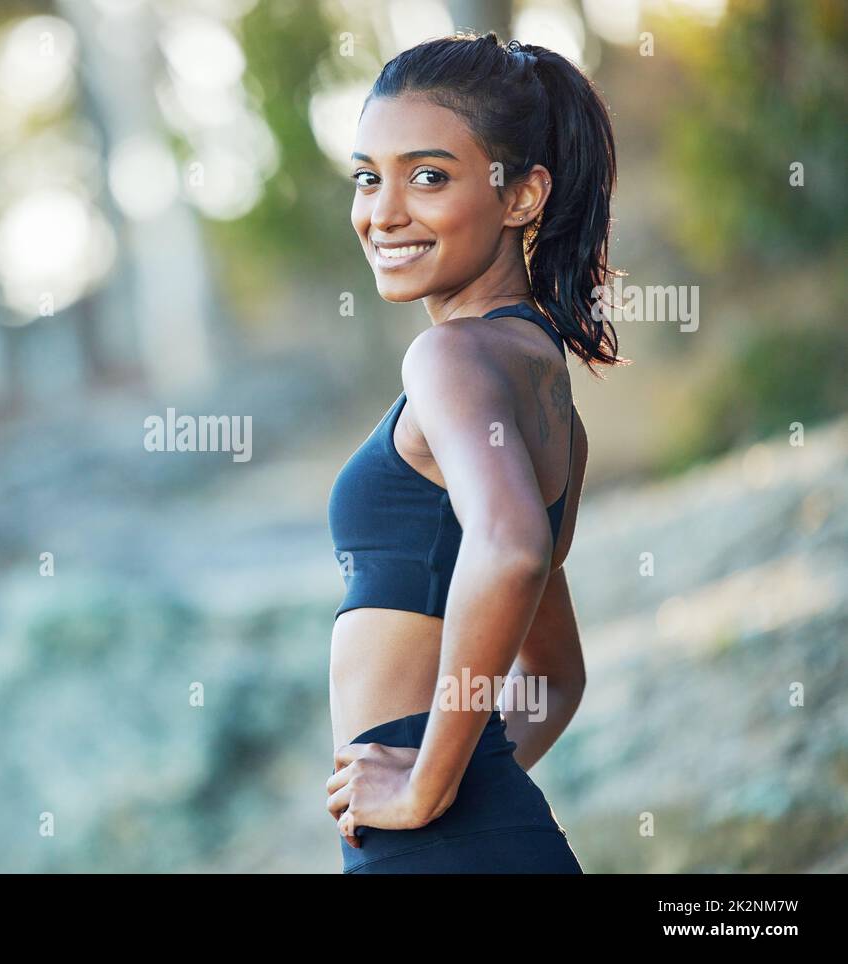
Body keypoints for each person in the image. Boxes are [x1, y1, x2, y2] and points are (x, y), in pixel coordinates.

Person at [324, 31, 627, 873]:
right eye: (367, 176)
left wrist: (426, 788)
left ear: (523, 196)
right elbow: (554, 677)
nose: (382, 212)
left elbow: (512, 549)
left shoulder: (450, 359)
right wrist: (465, 782)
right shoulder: (544, 394)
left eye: (427, 176)